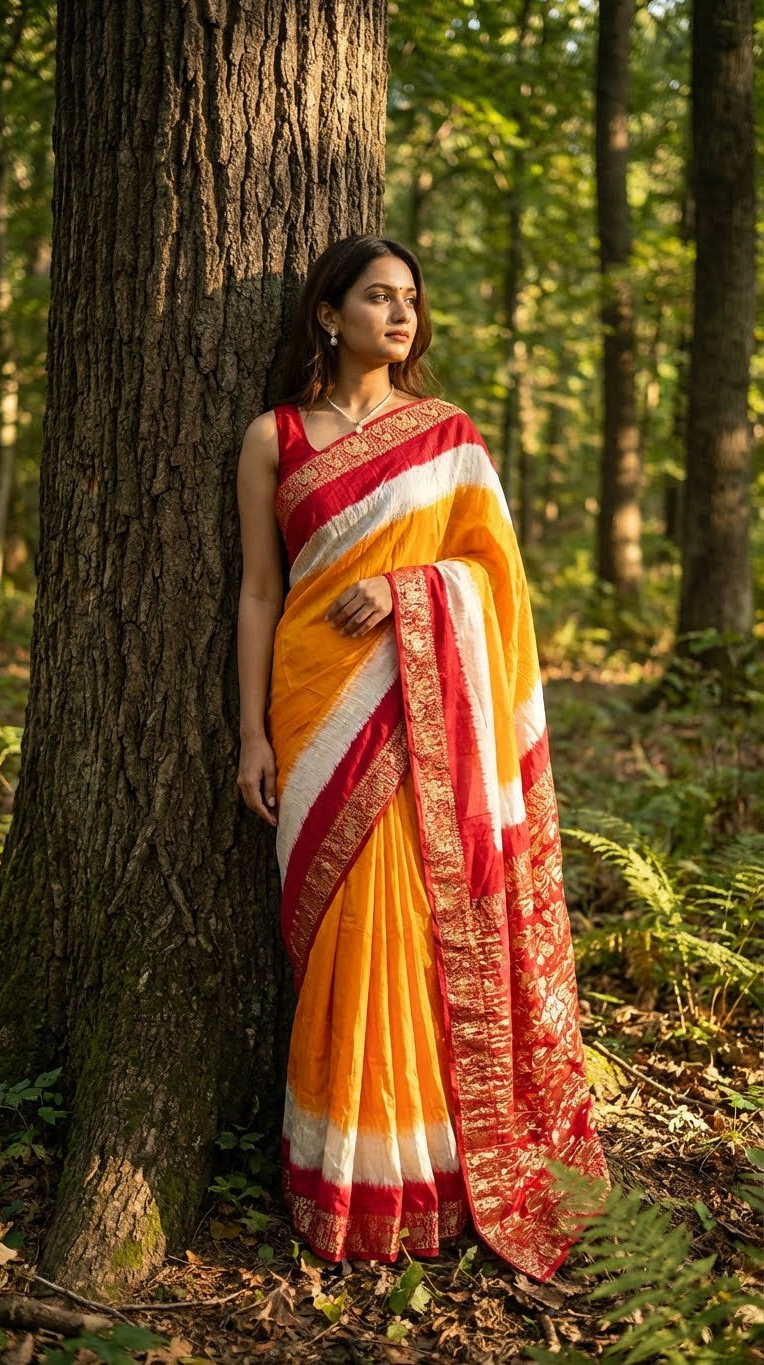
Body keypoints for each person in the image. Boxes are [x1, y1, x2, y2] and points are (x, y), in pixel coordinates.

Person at [235, 234, 610, 1282]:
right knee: (342, 933)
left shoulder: (446, 439)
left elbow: (498, 585)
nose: (401, 315)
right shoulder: (275, 437)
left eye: (411, 299)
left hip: (416, 708)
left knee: (406, 928)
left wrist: (413, 590)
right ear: (327, 313)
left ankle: (410, 1175)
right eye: (377, 297)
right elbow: (259, 593)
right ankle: (342, 1168)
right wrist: (250, 733)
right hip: (312, 712)